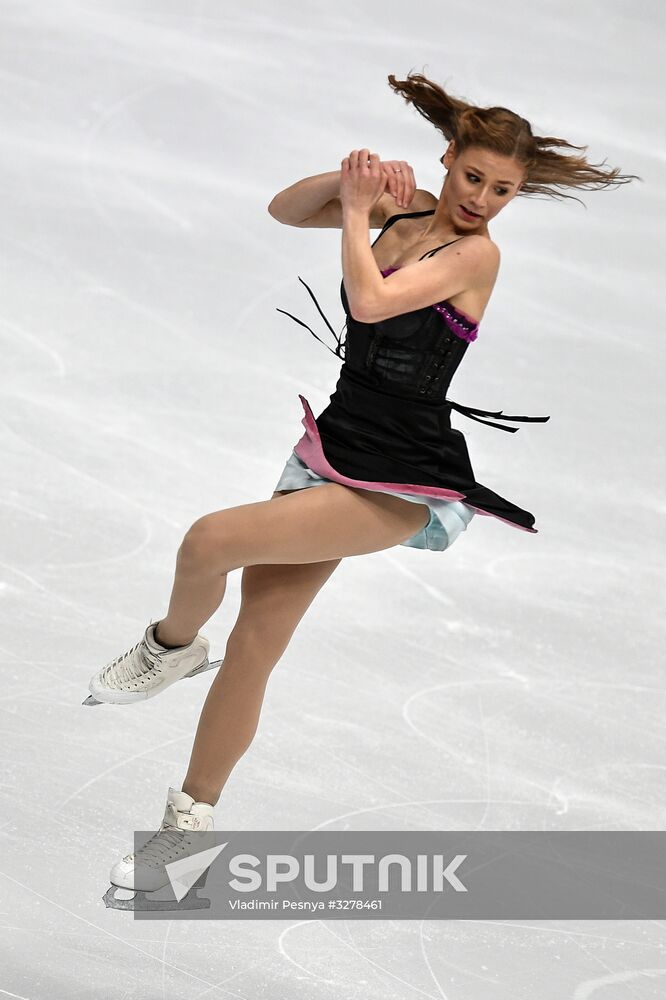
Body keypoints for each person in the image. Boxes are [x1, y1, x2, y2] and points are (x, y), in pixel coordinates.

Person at [88, 72, 640, 909]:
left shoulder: (477, 255)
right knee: (258, 643)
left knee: (208, 541)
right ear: (446, 158)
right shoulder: (410, 208)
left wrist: (353, 216)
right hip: (329, 450)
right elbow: (285, 209)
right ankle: (185, 835)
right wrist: (350, 186)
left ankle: (170, 647)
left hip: (398, 479)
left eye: (504, 190)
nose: (484, 200)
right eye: (473, 177)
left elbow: (373, 301)